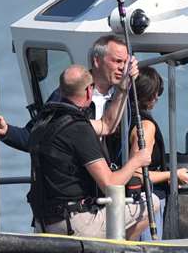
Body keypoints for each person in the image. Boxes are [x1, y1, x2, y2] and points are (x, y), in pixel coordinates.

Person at [27, 64, 151, 237]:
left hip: (43, 223)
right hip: (73, 225)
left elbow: (107, 125)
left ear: (61, 91)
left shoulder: (44, 123)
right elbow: (110, 185)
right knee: (151, 204)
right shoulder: (79, 129)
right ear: (88, 91)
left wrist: (123, 89)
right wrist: (137, 160)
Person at [0, 34, 136, 152]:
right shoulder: (67, 93)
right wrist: (6, 131)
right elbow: (36, 136)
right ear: (96, 61)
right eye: (117, 61)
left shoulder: (126, 95)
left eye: (125, 62)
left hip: (113, 183)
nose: (123, 68)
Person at [122, 69, 188, 239]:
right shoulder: (146, 126)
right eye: (158, 92)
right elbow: (137, 174)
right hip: (146, 202)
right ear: (152, 94)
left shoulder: (121, 118)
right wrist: (173, 174)